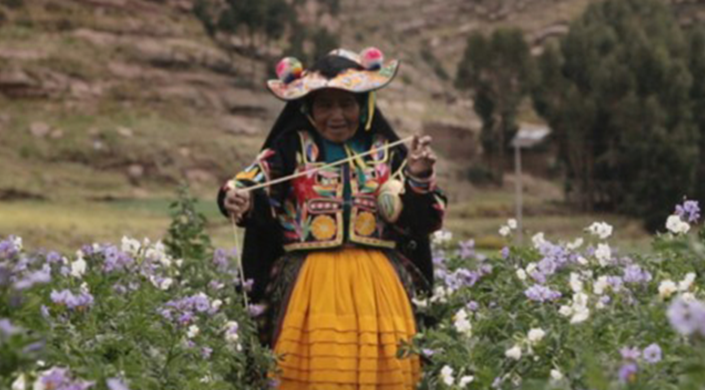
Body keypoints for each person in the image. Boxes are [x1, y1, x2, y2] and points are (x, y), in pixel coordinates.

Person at [217, 47, 447, 390]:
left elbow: (424, 220)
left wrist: (418, 176)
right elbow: (248, 184)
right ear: (307, 108)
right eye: (325, 105)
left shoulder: (387, 150)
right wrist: (238, 198)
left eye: (347, 104)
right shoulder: (290, 148)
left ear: (364, 106)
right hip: (309, 286)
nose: (336, 115)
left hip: (379, 286)